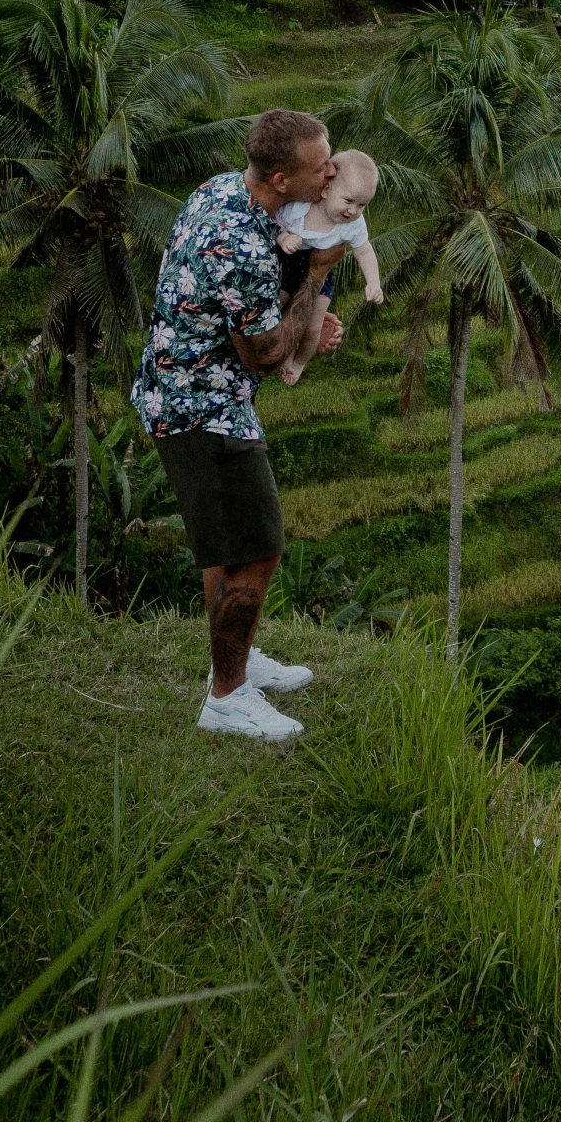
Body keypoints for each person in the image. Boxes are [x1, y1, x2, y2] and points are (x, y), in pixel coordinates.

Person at [130, 107, 345, 740]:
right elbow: (266, 354)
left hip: (185, 390)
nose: (331, 170)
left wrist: (304, 315)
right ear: (281, 179)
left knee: (225, 545)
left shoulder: (223, 189)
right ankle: (226, 697)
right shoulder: (245, 243)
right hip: (204, 407)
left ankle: (238, 661)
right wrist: (317, 279)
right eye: (319, 165)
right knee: (256, 548)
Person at [274, 148, 383, 386]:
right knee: (278, 310)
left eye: (362, 205)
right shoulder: (299, 208)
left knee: (313, 326)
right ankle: (284, 353)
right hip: (288, 263)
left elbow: (364, 250)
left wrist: (373, 282)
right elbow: (272, 219)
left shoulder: (352, 225)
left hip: (324, 271)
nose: (353, 211)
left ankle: (299, 363)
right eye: (349, 201)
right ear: (326, 189)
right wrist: (283, 237)